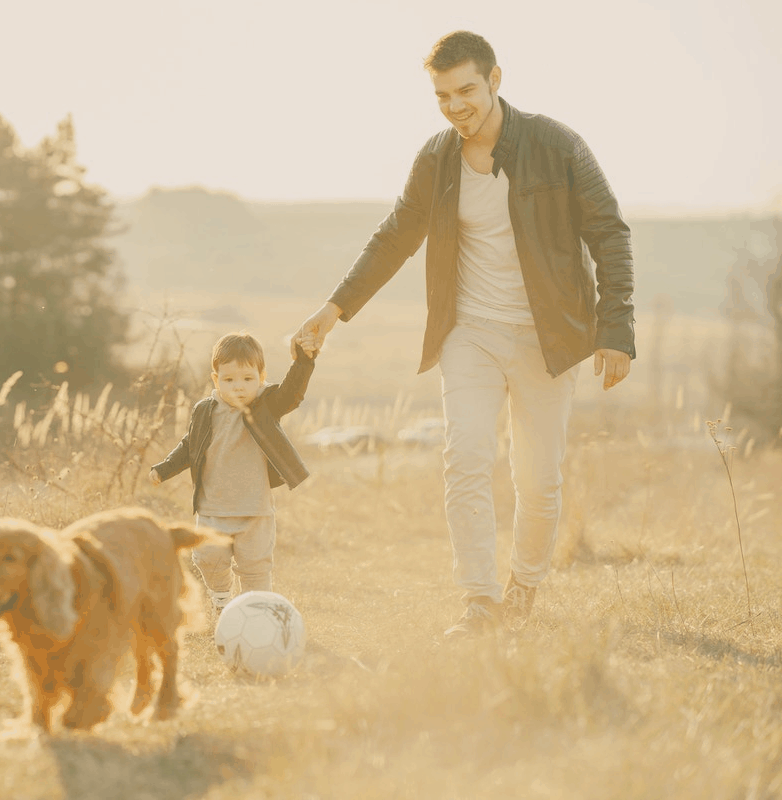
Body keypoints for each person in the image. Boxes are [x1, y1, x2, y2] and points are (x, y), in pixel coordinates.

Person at [291, 31, 635, 640]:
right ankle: (479, 599)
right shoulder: (437, 158)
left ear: (495, 79)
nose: (456, 106)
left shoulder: (558, 146)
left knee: (538, 477)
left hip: (547, 337)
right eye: (443, 95)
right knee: (467, 457)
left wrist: (616, 328)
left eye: (467, 90)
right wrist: (333, 309)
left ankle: (524, 586)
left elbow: (608, 232)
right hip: (469, 330)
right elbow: (395, 234)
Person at [150, 332, 315, 614]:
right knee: (208, 560)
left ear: (261, 377)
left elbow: (293, 392)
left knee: (255, 567)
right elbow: (190, 445)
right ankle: (222, 601)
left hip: (255, 511)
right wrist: (164, 469)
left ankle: (258, 616)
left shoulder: (266, 404)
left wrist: (304, 361)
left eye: (248, 379)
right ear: (216, 380)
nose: (239, 387)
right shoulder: (205, 410)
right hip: (213, 508)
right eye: (229, 380)